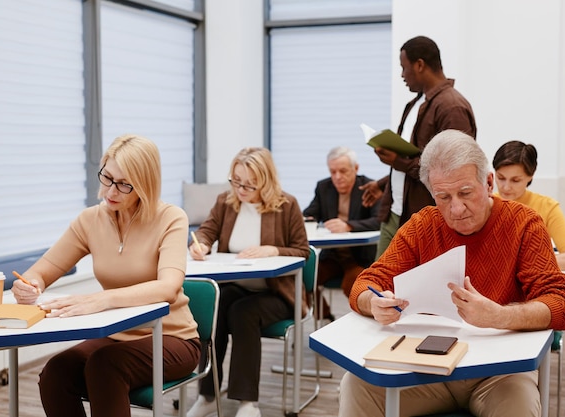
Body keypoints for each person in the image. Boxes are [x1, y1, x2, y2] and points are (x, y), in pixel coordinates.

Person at [340, 130, 565, 417]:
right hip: (427, 367)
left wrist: (499, 316)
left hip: (500, 372)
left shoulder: (524, 224)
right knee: (355, 385)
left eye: (465, 193)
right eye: (443, 197)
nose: (456, 208)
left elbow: (561, 304)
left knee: (519, 402)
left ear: (488, 183)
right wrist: (372, 302)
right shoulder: (423, 226)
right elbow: (365, 283)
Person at [11, 134, 201, 417]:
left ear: (145, 184)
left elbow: (169, 287)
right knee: (56, 373)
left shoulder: (171, 218)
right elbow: (41, 271)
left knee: (105, 365)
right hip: (117, 337)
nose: (112, 190)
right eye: (107, 177)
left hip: (173, 338)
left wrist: (102, 299)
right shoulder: (90, 220)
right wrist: (29, 284)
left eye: (125, 184)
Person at [186, 147, 309, 417]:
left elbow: (303, 250)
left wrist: (273, 250)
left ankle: (247, 403)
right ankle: (208, 394)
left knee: (243, 312)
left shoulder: (286, 204)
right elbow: (206, 231)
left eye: (249, 184)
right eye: (236, 181)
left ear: (264, 181)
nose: (241, 189)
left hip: (277, 294)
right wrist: (202, 245)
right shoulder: (225, 202)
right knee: (215, 310)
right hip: (236, 287)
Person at [360, 35, 477, 260]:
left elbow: (453, 170)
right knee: (379, 286)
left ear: (420, 65)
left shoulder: (452, 107)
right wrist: (383, 184)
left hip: (425, 218)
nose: (402, 75)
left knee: (417, 291)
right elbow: (415, 156)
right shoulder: (415, 104)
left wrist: (397, 161)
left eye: (404, 68)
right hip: (396, 212)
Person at [303, 146, 380, 320]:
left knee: (356, 287)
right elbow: (310, 213)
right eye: (333, 171)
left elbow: (378, 221)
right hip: (331, 256)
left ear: (356, 168)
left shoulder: (369, 187)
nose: (337, 177)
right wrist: (308, 219)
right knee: (303, 278)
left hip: (358, 258)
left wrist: (348, 226)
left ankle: (361, 330)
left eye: (343, 171)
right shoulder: (324, 187)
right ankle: (325, 319)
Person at [493, 140, 565, 270]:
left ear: (531, 176)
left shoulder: (547, 207)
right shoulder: (487, 204)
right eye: (500, 178)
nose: (506, 187)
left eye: (515, 180)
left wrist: (523, 264)